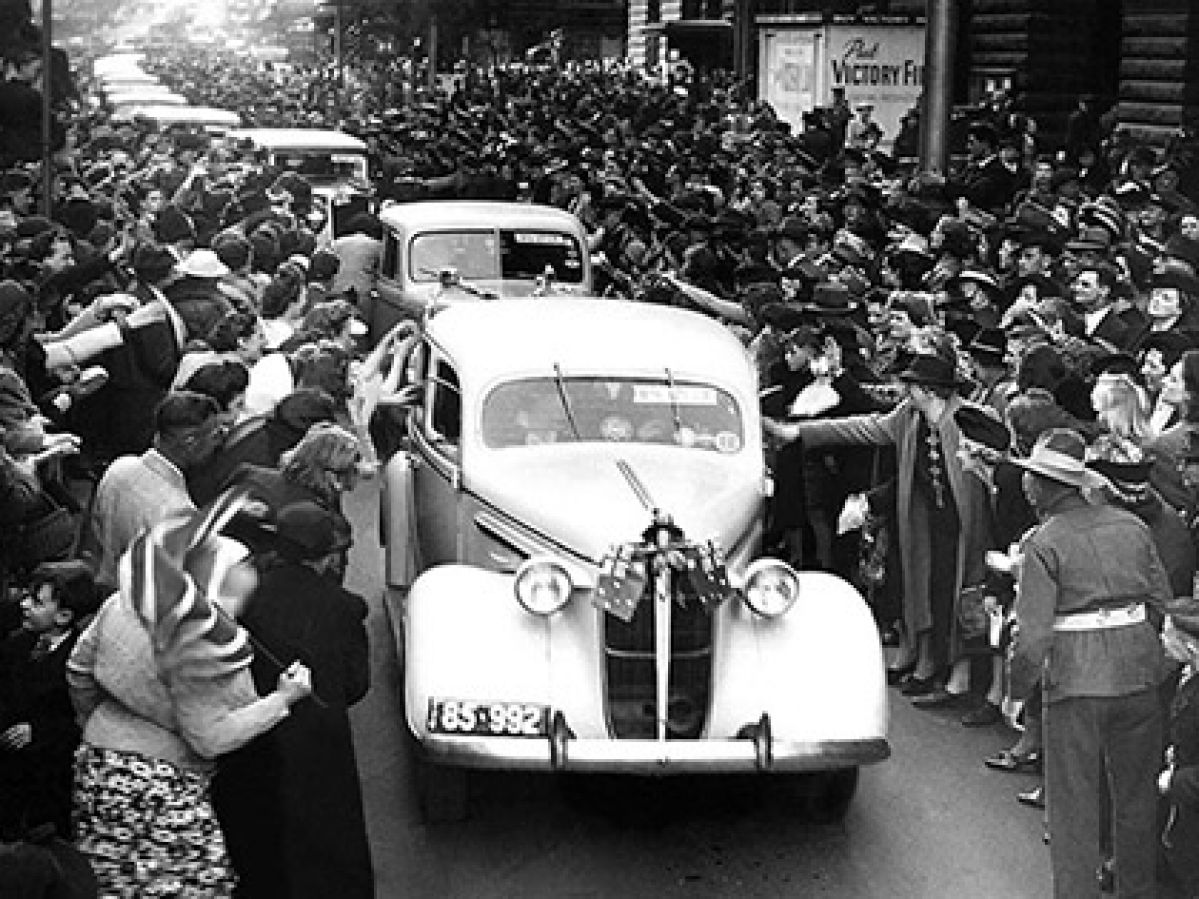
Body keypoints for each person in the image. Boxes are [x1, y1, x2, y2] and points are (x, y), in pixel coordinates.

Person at [67, 493, 314, 897]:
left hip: (96, 766)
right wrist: (283, 699)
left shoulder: (122, 604)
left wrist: (96, 723)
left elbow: (78, 671)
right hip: (162, 784)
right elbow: (211, 737)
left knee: (113, 882)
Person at [766, 351, 995, 702]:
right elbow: (863, 428)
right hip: (925, 523)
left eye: (912, 386)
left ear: (929, 391)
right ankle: (930, 666)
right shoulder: (909, 417)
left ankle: (958, 679)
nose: (906, 391)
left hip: (965, 528)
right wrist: (800, 433)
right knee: (926, 592)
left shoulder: (971, 420)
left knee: (960, 592)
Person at [1008, 428, 1172, 898]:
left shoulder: (1044, 543)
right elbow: (1160, 603)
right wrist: (1150, 663)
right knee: (1136, 803)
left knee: (1074, 811)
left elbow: (1034, 638)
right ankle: (1135, 890)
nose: (1025, 486)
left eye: (1030, 478)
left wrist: (1019, 690)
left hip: (1075, 689)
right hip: (1139, 680)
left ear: (1043, 486)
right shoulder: (1132, 527)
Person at [212, 501, 372, 899]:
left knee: (259, 834)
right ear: (326, 556)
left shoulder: (245, 596)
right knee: (328, 839)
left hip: (254, 730)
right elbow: (356, 684)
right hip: (318, 737)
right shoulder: (344, 608)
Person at [0, 560, 100, 839]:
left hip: (48, 776)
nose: (24, 605)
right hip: (9, 771)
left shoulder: (80, 659)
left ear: (64, 616)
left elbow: (78, 715)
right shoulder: (15, 644)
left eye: (37, 601)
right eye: (27, 596)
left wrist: (39, 731)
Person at [88, 390, 228, 589]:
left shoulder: (118, 469)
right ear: (190, 442)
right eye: (216, 434)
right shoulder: (180, 514)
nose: (220, 442)